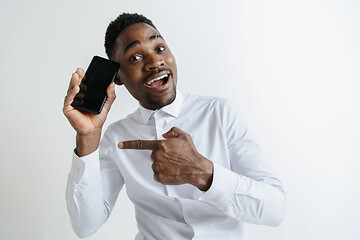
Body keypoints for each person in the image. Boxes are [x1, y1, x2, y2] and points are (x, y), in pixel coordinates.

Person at [63, 13, 286, 240]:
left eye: (159, 49)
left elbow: (275, 209)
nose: (155, 62)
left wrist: (203, 173)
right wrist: (88, 138)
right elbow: (85, 226)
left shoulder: (220, 113)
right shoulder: (117, 137)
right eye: (135, 57)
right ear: (117, 76)